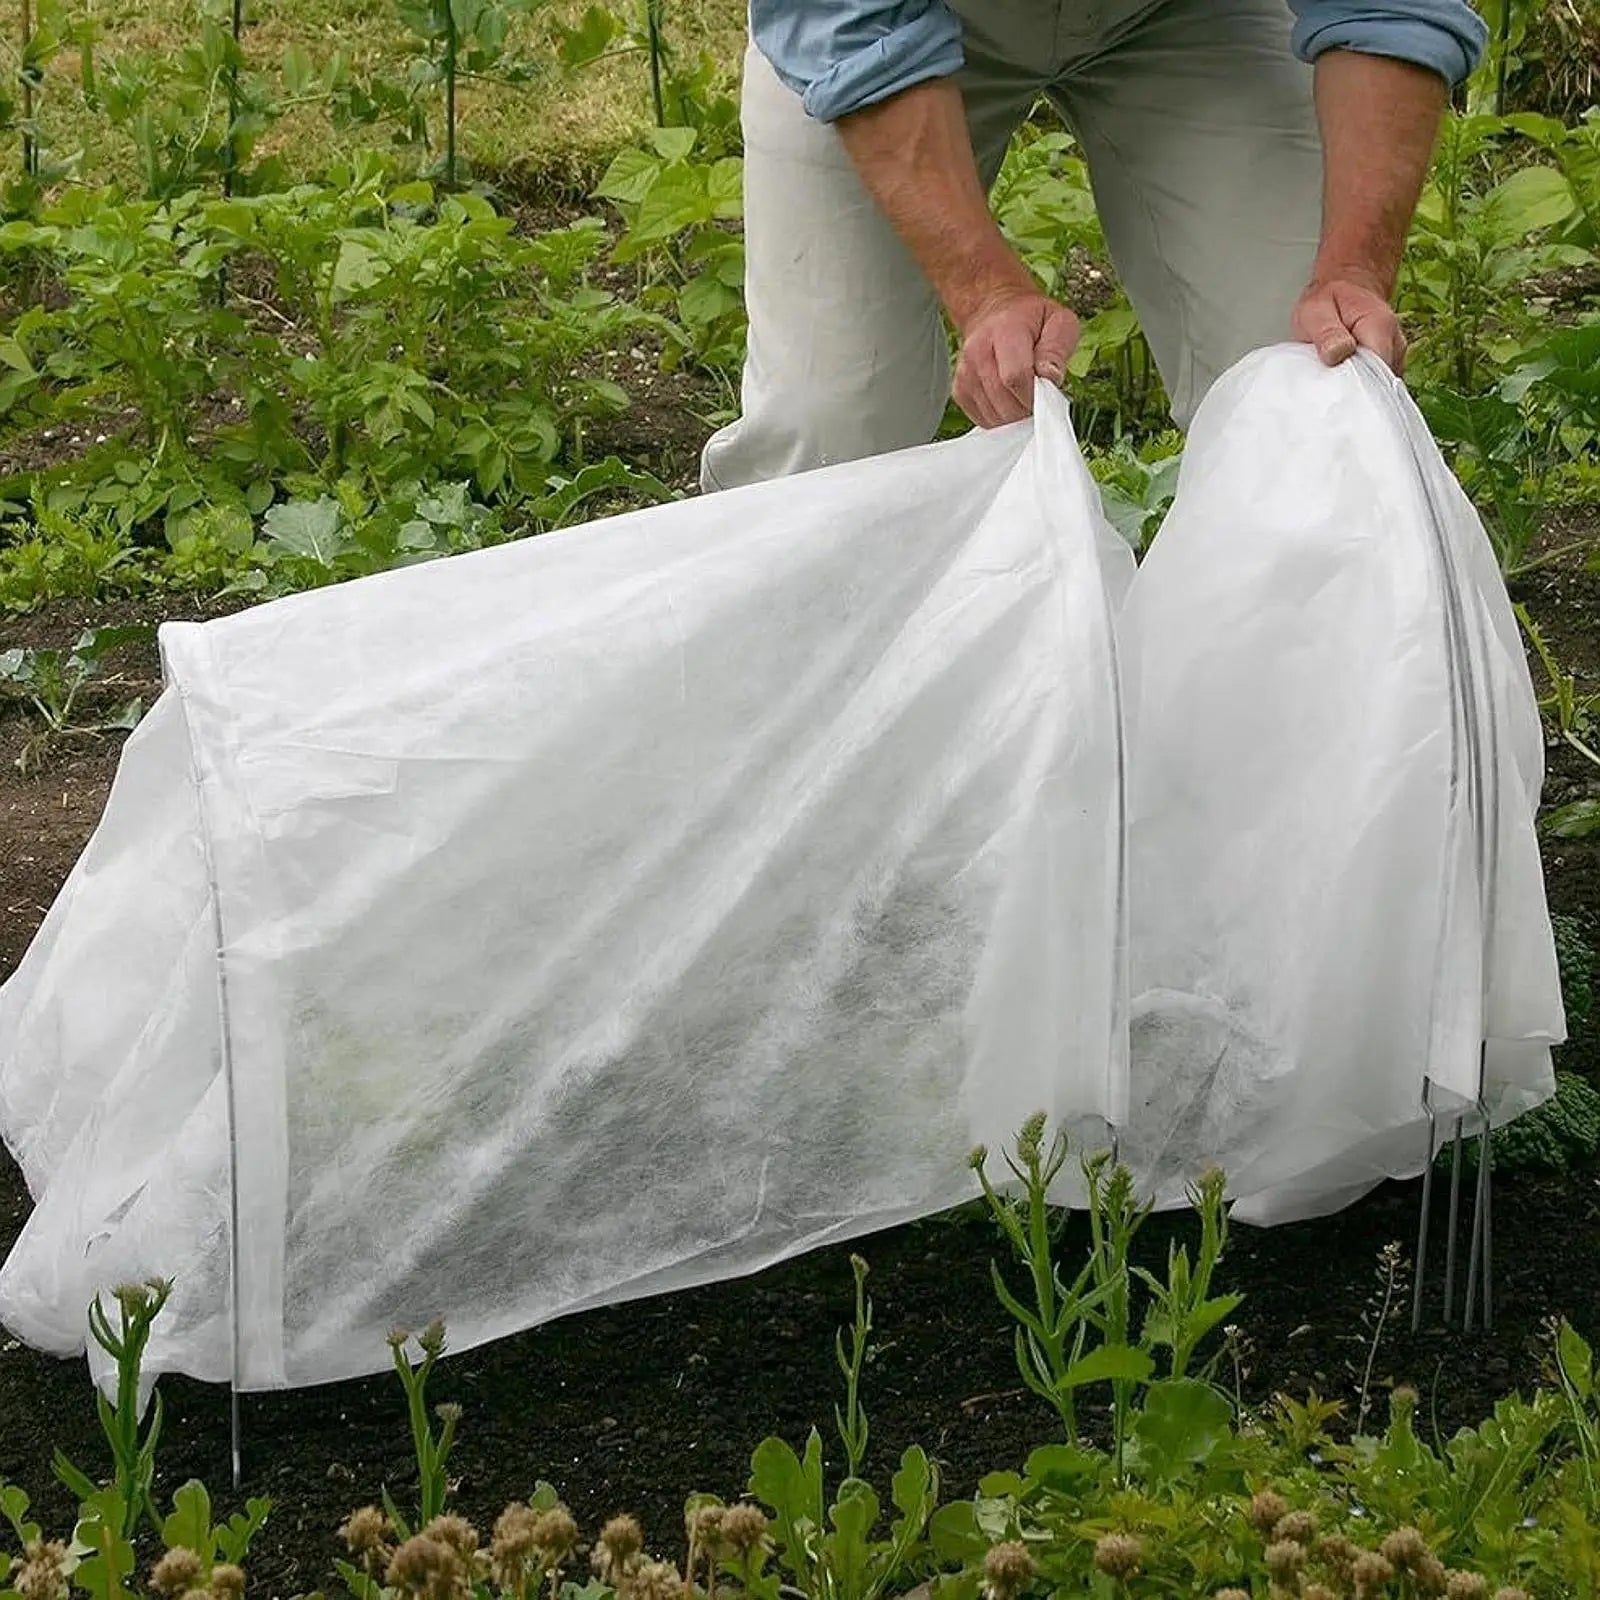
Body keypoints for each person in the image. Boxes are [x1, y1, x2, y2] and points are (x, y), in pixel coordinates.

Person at [700, 0, 1486, 491]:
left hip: (1188, 15)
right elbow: (848, 16)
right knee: (829, 433)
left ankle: (1284, 723)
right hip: (887, 20)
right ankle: (786, 713)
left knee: (1304, 385)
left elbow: (1394, 6)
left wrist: (1352, 269)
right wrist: (984, 291)